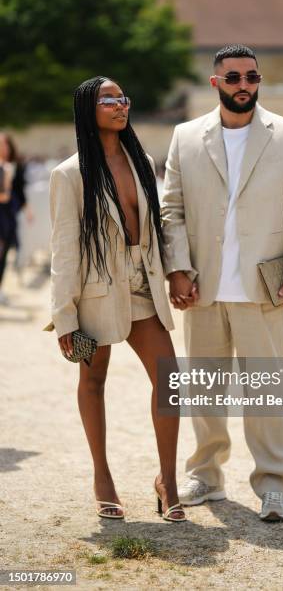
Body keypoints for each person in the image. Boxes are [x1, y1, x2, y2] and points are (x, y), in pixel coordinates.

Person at [161, 45, 283, 521]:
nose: (243, 84)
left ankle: (274, 485)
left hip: (265, 286)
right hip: (204, 286)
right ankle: (205, 477)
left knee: (266, 392)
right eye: (233, 77)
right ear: (215, 83)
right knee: (205, 391)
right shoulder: (186, 136)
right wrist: (178, 268)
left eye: (251, 76)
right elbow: (172, 211)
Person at [43, 76, 185, 522]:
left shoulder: (140, 159)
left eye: (124, 97)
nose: (120, 105)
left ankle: (168, 481)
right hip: (95, 292)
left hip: (143, 284)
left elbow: (159, 226)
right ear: (88, 108)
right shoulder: (68, 174)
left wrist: (179, 272)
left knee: (170, 383)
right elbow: (64, 247)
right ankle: (102, 478)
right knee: (92, 382)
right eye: (109, 99)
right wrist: (64, 316)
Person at [0, 133, 33, 304]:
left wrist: (28, 210)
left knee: (5, 252)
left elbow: (20, 192)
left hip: (8, 213)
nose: (3, 148)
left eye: (5, 144)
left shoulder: (16, 166)